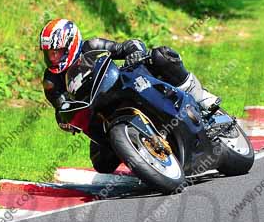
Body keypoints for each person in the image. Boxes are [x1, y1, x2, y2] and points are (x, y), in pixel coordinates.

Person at [40, 18, 219, 172]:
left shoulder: (91, 46)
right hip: (98, 112)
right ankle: (146, 158)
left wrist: (135, 53)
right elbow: (61, 108)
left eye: (58, 51)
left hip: (121, 87)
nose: (53, 58)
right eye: (49, 53)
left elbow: (127, 45)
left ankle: (200, 96)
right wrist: (66, 120)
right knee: (101, 163)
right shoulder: (50, 81)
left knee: (160, 56)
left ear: (72, 44)